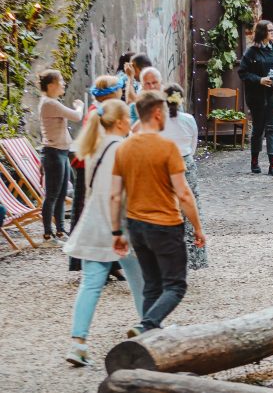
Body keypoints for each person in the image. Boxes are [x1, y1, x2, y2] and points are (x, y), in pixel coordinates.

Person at [110, 91, 206, 335]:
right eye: (163, 112)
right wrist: (197, 227)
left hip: (135, 224)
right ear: (155, 113)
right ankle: (148, 325)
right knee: (176, 285)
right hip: (165, 224)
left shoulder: (123, 148)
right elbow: (183, 193)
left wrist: (116, 231)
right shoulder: (167, 148)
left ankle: (148, 338)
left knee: (152, 284)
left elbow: (115, 195)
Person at [63, 99, 144, 366]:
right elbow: (120, 192)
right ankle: (149, 327)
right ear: (121, 122)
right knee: (140, 278)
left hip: (94, 222)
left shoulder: (92, 147)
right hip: (118, 223)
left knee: (91, 285)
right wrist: (120, 229)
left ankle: (78, 344)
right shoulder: (123, 148)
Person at [68, 75, 126, 273]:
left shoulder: (99, 112)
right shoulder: (100, 114)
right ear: (114, 92)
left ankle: (109, 264)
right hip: (96, 171)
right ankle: (102, 262)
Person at [162, 83, 208, 270]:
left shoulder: (159, 120)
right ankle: (193, 257)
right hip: (185, 161)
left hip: (164, 164)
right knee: (190, 207)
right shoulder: (189, 119)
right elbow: (193, 144)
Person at [238, 20, 273, 175]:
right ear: (262, 32)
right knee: (258, 130)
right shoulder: (252, 51)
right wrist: (259, 80)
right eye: (269, 30)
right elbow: (243, 72)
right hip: (258, 97)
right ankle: (255, 161)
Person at [38, 69, 84, 247]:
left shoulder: (51, 102)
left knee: (62, 192)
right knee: (52, 194)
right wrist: (79, 105)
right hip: (53, 153)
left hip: (62, 152)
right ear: (51, 86)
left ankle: (60, 230)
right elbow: (76, 116)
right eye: (61, 81)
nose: (64, 84)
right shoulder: (49, 103)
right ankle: (48, 235)